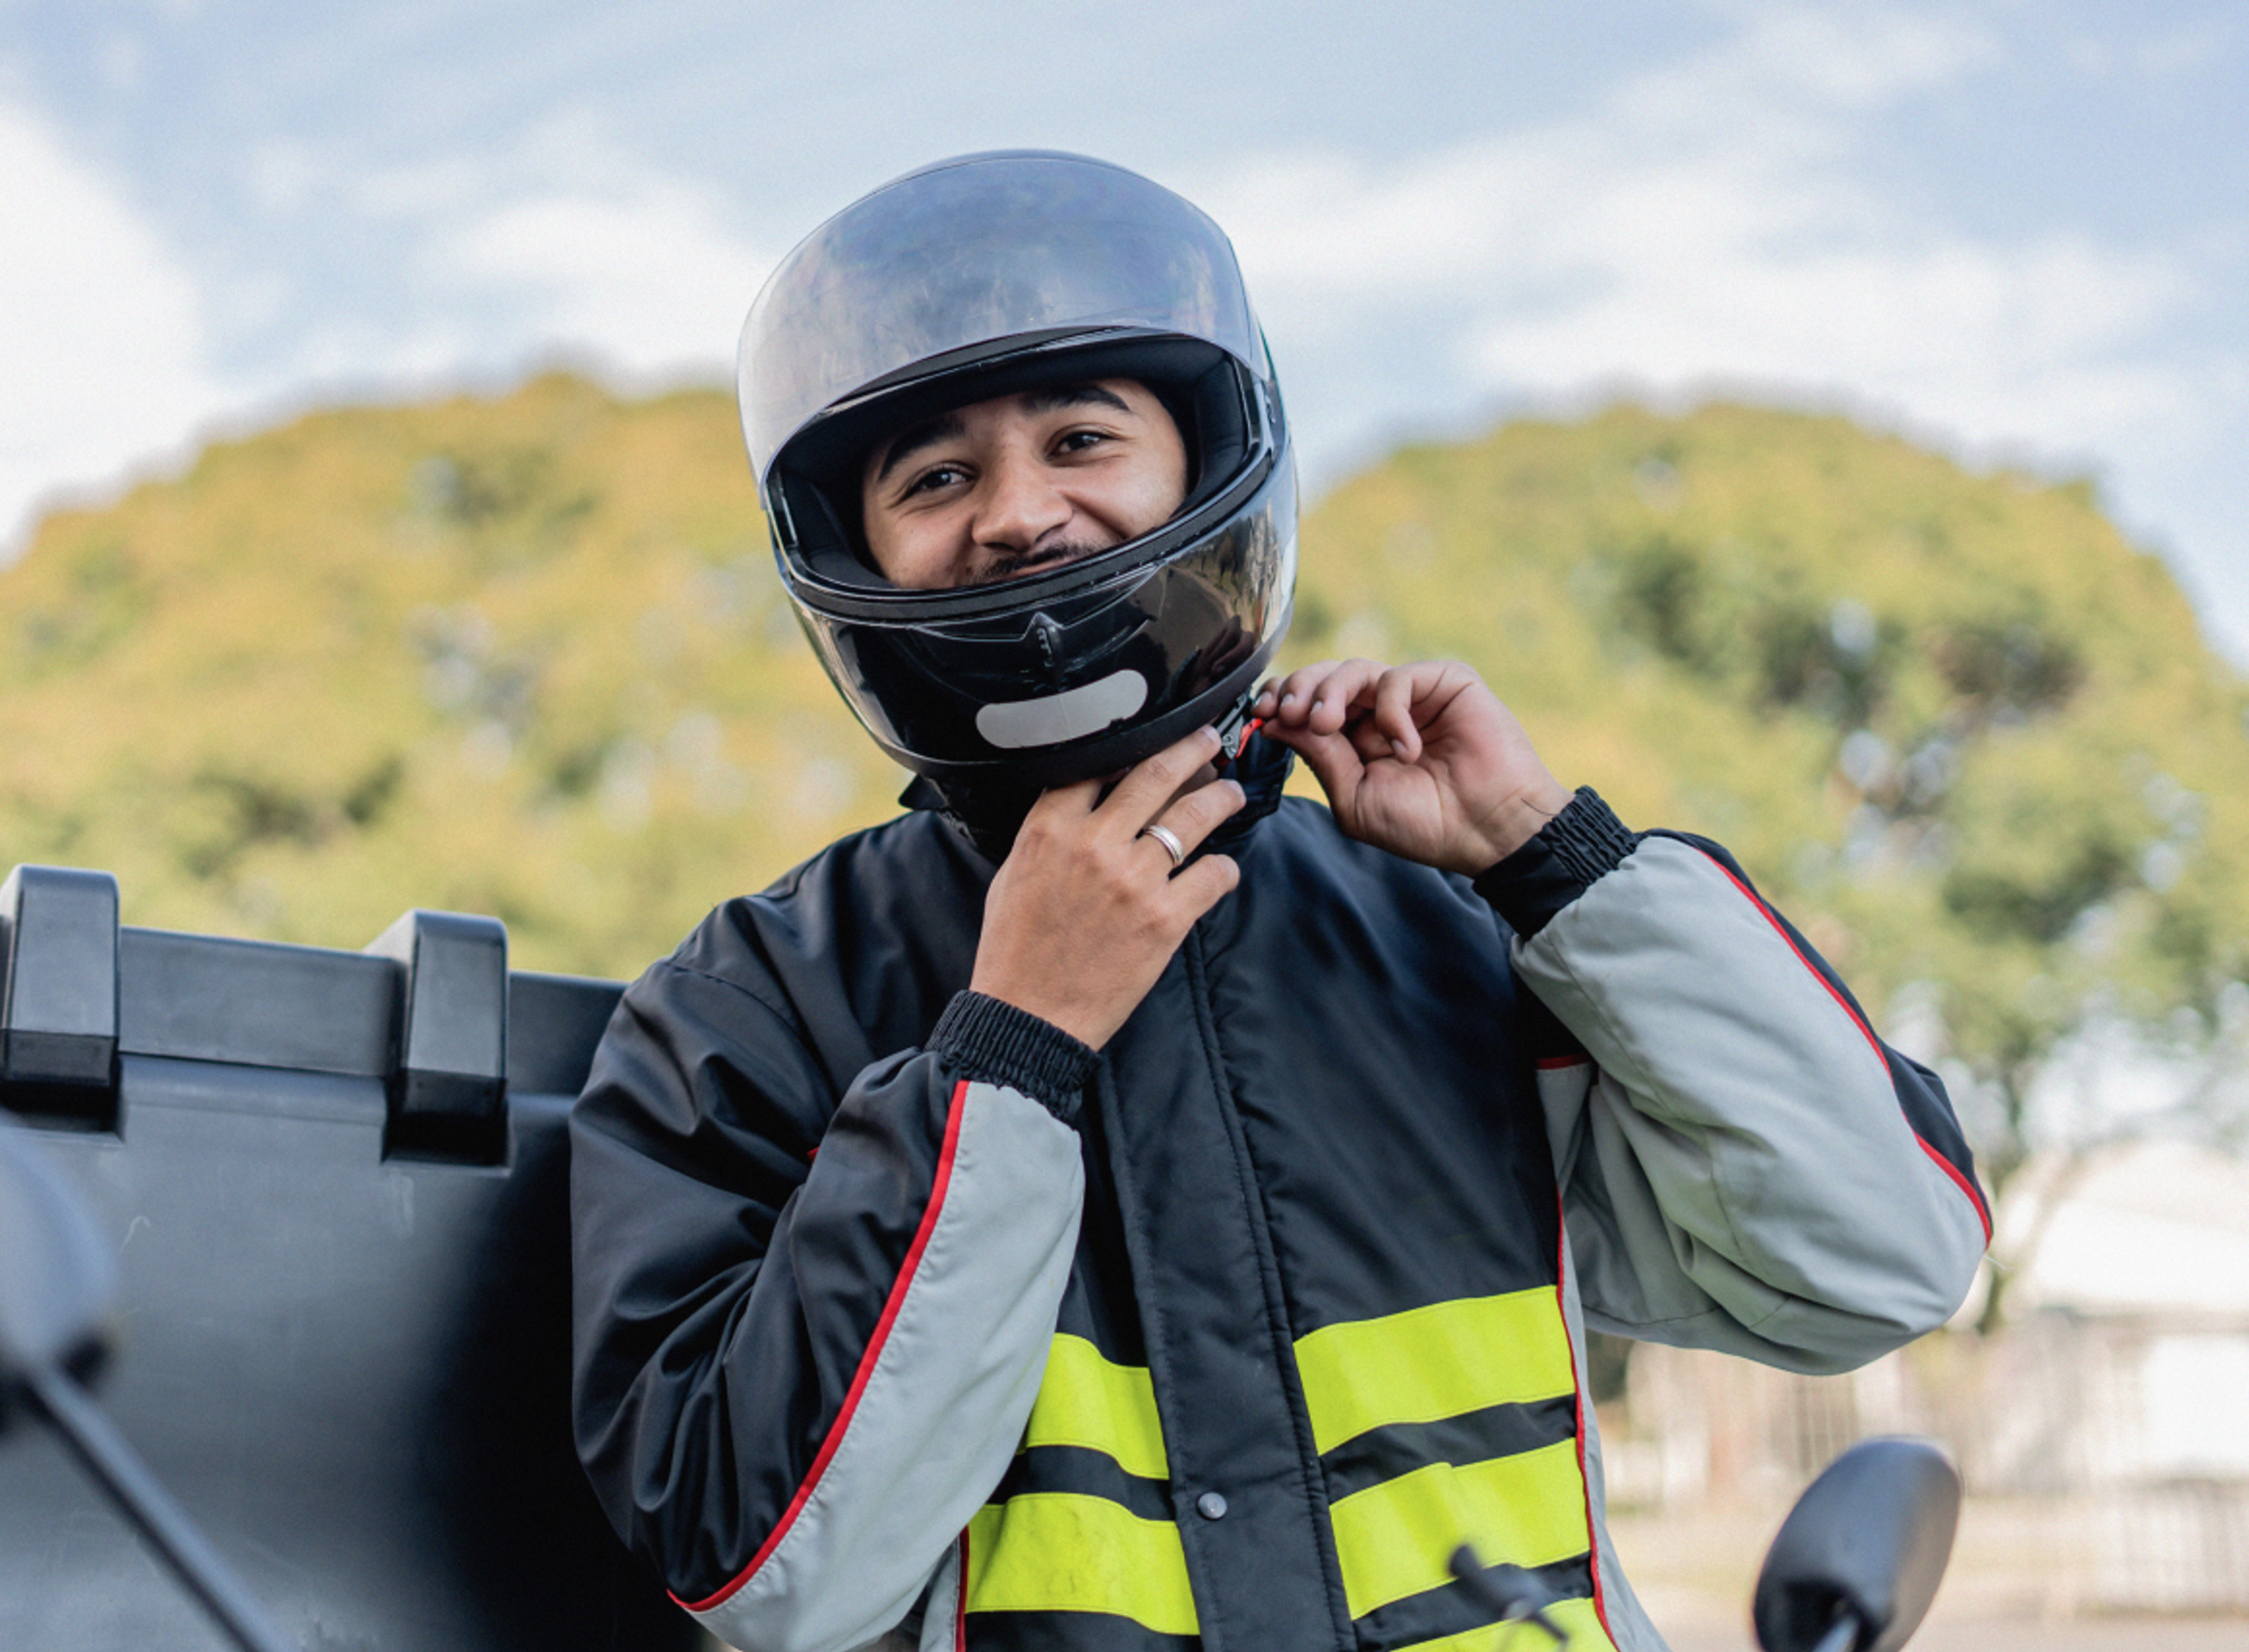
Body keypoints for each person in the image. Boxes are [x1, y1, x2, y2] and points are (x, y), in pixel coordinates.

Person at [569, 151, 1990, 1652]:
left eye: (1082, 437)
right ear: (856, 555)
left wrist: (1553, 858)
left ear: (1208, 462)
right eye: (937, 477)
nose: (1019, 516)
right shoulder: (747, 1002)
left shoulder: (1457, 926)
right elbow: (768, 1575)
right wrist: (1013, 1047)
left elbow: (1882, 1260)